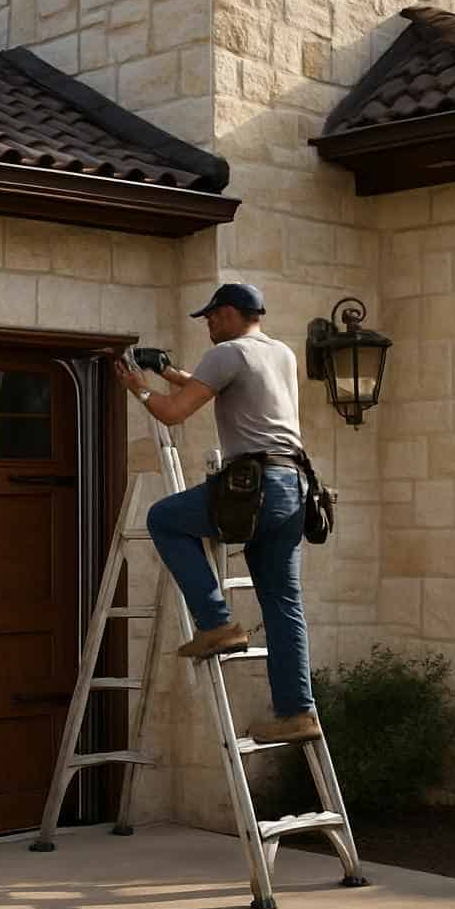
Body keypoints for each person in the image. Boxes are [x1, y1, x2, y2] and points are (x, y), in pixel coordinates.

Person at [112, 282, 320, 744]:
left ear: (229, 313)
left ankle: (216, 622)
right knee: (284, 603)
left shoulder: (228, 353)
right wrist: (168, 371)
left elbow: (173, 414)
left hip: (253, 487)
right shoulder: (279, 353)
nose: (207, 324)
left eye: (210, 316)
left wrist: (138, 389)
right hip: (294, 488)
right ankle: (297, 711)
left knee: (165, 518)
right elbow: (213, 389)